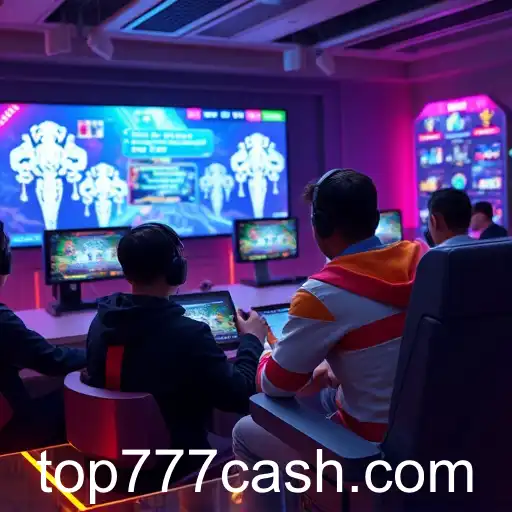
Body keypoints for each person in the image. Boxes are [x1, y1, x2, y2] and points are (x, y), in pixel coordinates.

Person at [233, 169, 426, 511]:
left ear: (319, 225)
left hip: (368, 454)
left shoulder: (322, 293)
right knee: (324, 393)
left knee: (246, 430)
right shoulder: (424, 262)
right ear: (375, 219)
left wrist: (261, 344)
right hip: (432, 439)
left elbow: (274, 386)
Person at [84, 222, 266, 481]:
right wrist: (252, 339)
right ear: (176, 270)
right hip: (177, 461)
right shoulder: (189, 334)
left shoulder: (102, 321)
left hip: (114, 457)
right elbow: (239, 395)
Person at [0, 221, 85, 453]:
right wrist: (100, 351)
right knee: (78, 395)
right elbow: (53, 361)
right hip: (12, 426)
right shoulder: (3, 322)